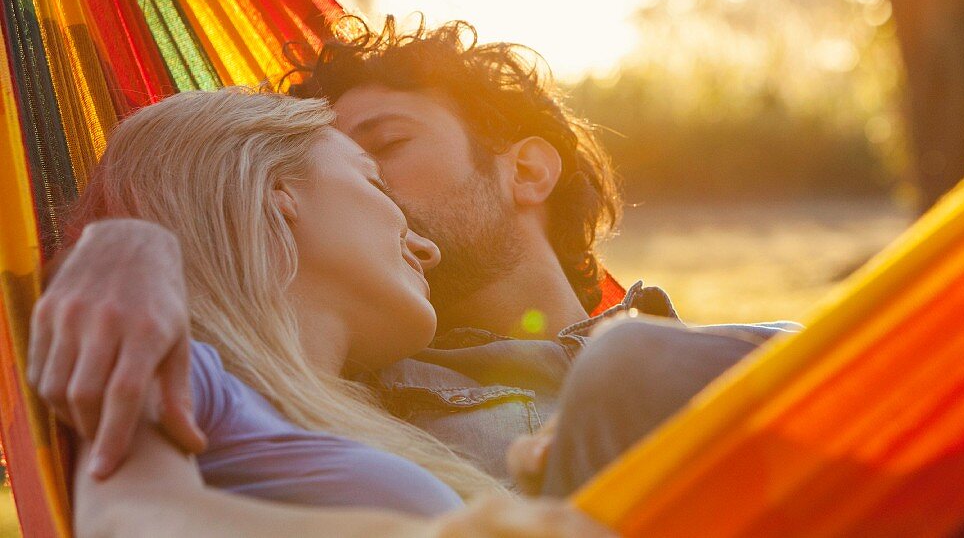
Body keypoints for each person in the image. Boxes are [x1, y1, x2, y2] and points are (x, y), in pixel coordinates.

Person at [30, 17, 798, 485]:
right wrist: (130, 245)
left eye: (383, 146)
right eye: (335, 164)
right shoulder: (352, 400)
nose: (361, 187)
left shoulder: (696, 355)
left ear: (527, 170)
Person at [64, 87, 608, 537]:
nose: (427, 247)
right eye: (374, 180)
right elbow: (123, 518)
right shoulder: (187, 367)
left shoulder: (372, 414)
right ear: (275, 190)